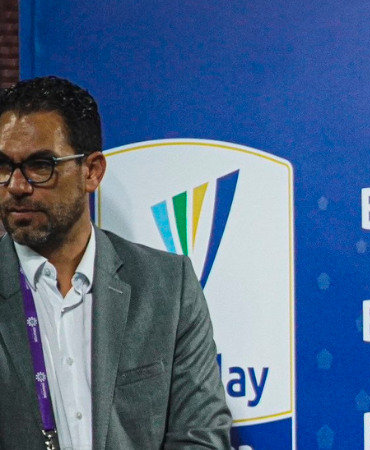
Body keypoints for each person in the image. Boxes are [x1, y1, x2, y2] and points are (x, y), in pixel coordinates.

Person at [0, 76, 232, 448]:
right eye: (3, 166)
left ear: (91, 172)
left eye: (40, 165)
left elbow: (200, 436)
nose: (16, 185)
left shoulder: (169, 287)